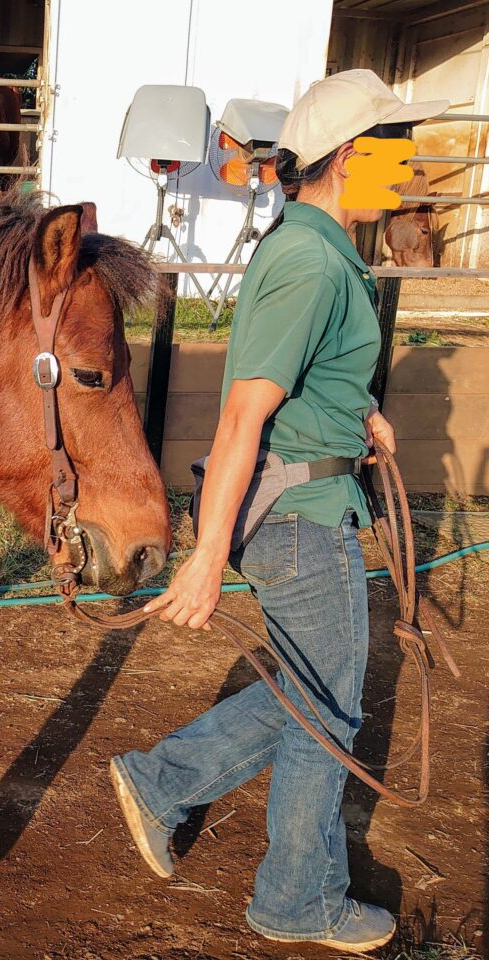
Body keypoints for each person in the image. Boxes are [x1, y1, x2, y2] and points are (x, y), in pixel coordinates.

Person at [108, 69, 448, 953]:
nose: (409, 166)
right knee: (326, 711)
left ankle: (163, 780)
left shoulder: (318, 247)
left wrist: (353, 411)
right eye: (395, 149)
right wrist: (206, 553)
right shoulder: (306, 259)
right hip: (299, 517)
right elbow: (242, 412)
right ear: (348, 159)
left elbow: (302, 375)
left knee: (310, 697)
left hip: (308, 495)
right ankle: (298, 896)